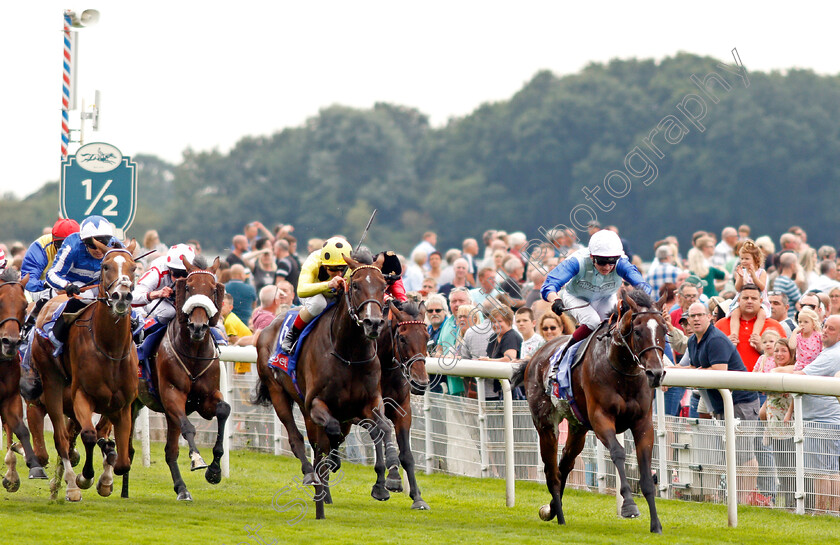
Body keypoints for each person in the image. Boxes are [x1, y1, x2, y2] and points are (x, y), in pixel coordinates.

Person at [682, 301, 761, 505]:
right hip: (720, 405)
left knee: (744, 453)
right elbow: (693, 370)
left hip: (741, 402)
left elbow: (719, 372)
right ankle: (732, 498)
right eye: (693, 316)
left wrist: (693, 373)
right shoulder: (692, 341)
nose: (697, 319)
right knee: (730, 453)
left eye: (700, 315)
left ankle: (744, 499)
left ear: (709, 317)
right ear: (689, 320)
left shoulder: (716, 339)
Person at [541, 229, 653, 356]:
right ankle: (564, 353)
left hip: (605, 297)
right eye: (601, 261)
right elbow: (549, 284)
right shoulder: (577, 261)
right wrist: (555, 299)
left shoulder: (621, 263)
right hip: (576, 297)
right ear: (591, 257)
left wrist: (641, 300)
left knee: (614, 325)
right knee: (593, 321)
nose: (607, 266)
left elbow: (643, 286)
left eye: (611, 261)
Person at [43, 216, 118, 356]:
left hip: (102, 285)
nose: (98, 250)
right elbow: (51, 274)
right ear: (84, 242)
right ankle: (57, 336)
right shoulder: (72, 246)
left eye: (103, 244)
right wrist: (67, 285)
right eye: (92, 245)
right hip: (77, 285)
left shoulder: (116, 245)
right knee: (87, 296)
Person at [792, 315, 840, 512]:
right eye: (824, 326)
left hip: (822, 419)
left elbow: (800, 377)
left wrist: (772, 373)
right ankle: (832, 512)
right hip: (825, 418)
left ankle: (823, 512)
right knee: (830, 469)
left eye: (831, 329)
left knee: (822, 471)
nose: (824, 331)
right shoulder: (829, 351)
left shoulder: (831, 355)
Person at [279, 236, 352, 353]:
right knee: (318, 303)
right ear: (324, 265)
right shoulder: (313, 261)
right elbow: (301, 290)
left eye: (342, 269)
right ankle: (291, 336)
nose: (339, 273)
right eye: (334, 269)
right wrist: (328, 285)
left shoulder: (350, 264)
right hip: (312, 294)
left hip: (334, 295)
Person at [20, 218, 80, 325]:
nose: (65, 249)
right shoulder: (40, 247)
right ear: (53, 240)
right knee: (53, 293)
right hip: (43, 289)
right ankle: (29, 325)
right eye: (60, 244)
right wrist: (48, 285)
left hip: (76, 288)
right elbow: (29, 281)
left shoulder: (86, 247)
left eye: (70, 245)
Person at [715, 284, 786, 372]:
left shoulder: (775, 326)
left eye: (754, 298)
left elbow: (786, 359)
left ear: (761, 301)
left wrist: (763, 349)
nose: (749, 301)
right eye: (745, 298)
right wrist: (724, 346)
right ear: (739, 300)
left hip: (762, 382)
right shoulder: (721, 324)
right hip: (728, 381)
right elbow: (708, 354)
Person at [764, 337, 796, 508]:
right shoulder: (774, 369)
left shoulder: (793, 369)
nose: (779, 354)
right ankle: (788, 505)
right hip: (775, 429)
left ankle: (794, 505)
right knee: (782, 471)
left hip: (789, 429)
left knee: (791, 469)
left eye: (784, 350)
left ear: (791, 353)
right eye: (776, 350)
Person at [727, 240, 770, 345]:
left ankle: (755, 335)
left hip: (759, 300)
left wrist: (754, 276)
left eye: (747, 258)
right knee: (735, 313)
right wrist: (741, 277)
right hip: (743, 299)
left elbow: (762, 287)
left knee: (762, 314)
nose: (743, 261)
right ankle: (734, 336)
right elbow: (738, 288)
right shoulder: (742, 272)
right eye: (742, 258)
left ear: (756, 259)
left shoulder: (761, 272)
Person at [220, 293, 253, 373]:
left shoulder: (229, 322)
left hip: (245, 351)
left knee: (240, 378)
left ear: (230, 307)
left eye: (223, 304)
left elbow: (233, 339)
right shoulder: (229, 318)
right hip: (245, 349)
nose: (220, 307)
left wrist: (224, 340)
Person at [772, 252, 802, 319]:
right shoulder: (789, 283)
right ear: (792, 265)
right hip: (790, 318)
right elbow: (799, 303)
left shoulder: (777, 280)